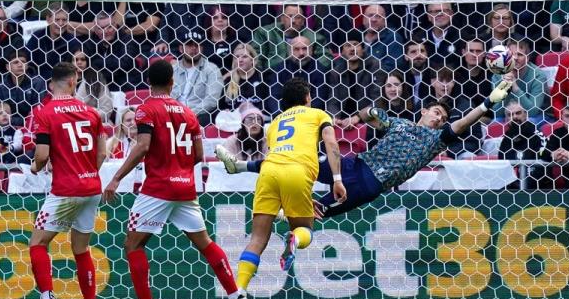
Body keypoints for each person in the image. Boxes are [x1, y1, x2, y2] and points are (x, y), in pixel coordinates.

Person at [216, 81, 513, 218]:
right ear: (424, 110)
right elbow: (374, 111)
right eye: (437, 112)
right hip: (353, 164)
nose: (440, 118)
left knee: (317, 211)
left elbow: (461, 125)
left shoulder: (435, 140)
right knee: (291, 159)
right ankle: (238, 166)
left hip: (371, 183)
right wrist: (355, 118)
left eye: (443, 118)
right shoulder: (399, 123)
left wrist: (488, 103)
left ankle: (291, 229)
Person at [103, 60, 248, 299]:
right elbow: (199, 155)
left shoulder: (146, 110)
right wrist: (179, 169)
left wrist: (116, 178)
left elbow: (143, 145)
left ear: (149, 84)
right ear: (173, 82)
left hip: (157, 188)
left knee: (133, 245)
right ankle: (236, 295)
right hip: (185, 188)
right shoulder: (188, 112)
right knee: (205, 243)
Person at [214, 77, 346, 299]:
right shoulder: (317, 114)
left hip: (268, 172)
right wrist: (337, 179)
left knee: (257, 238)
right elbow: (331, 143)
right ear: (307, 98)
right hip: (297, 171)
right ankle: (294, 238)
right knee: (305, 229)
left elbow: (280, 158)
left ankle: (239, 293)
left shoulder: (274, 124)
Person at [26, 62, 106, 299]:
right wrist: (87, 172)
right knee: (81, 249)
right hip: (92, 187)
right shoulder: (93, 113)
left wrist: (36, 166)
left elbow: (42, 154)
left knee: (38, 243)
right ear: (74, 82)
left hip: (66, 189)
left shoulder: (45, 112)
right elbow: (102, 152)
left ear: (52, 84)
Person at [171, 29, 223, 126]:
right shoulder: (172, 70)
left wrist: (188, 113)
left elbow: (211, 100)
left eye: (197, 45)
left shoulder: (212, 69)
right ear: (181, 49)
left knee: (205, 118)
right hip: (171, 114)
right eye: (189, 45)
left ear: (202, 48)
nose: (194, 48)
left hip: (197, 115)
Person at [72, 48, 114, 123]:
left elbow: (106, 108)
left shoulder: (96, 79)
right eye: (76, 60)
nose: (79, 62)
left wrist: (89, 117)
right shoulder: (64, 80)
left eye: (83, 59)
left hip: (94, 122)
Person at [540, 105, 569, 189]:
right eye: (567, 116)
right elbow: (544, 153)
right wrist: (553, 154)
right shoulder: (558, 133)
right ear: (561, 117)